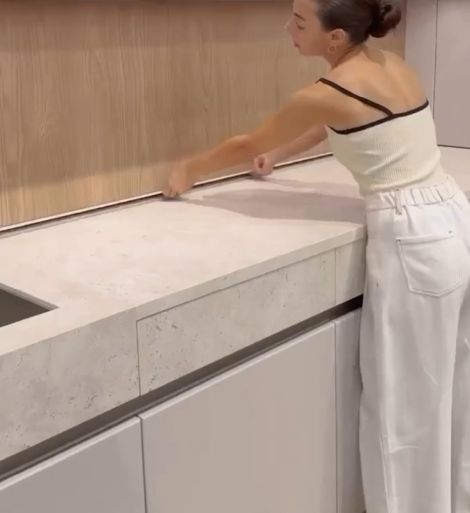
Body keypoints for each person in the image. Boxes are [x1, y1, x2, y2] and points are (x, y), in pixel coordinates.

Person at [163, 1, 470, 512]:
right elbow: (341, 123)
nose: (288, 27)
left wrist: (188, 170)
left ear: (334, 38)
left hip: (414, 238)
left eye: (300, 21)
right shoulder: (390, 64)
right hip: (453, 217)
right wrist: (280, 156)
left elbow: (247, 142)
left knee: (403, 406)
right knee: (454, 389)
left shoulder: (325, 92)